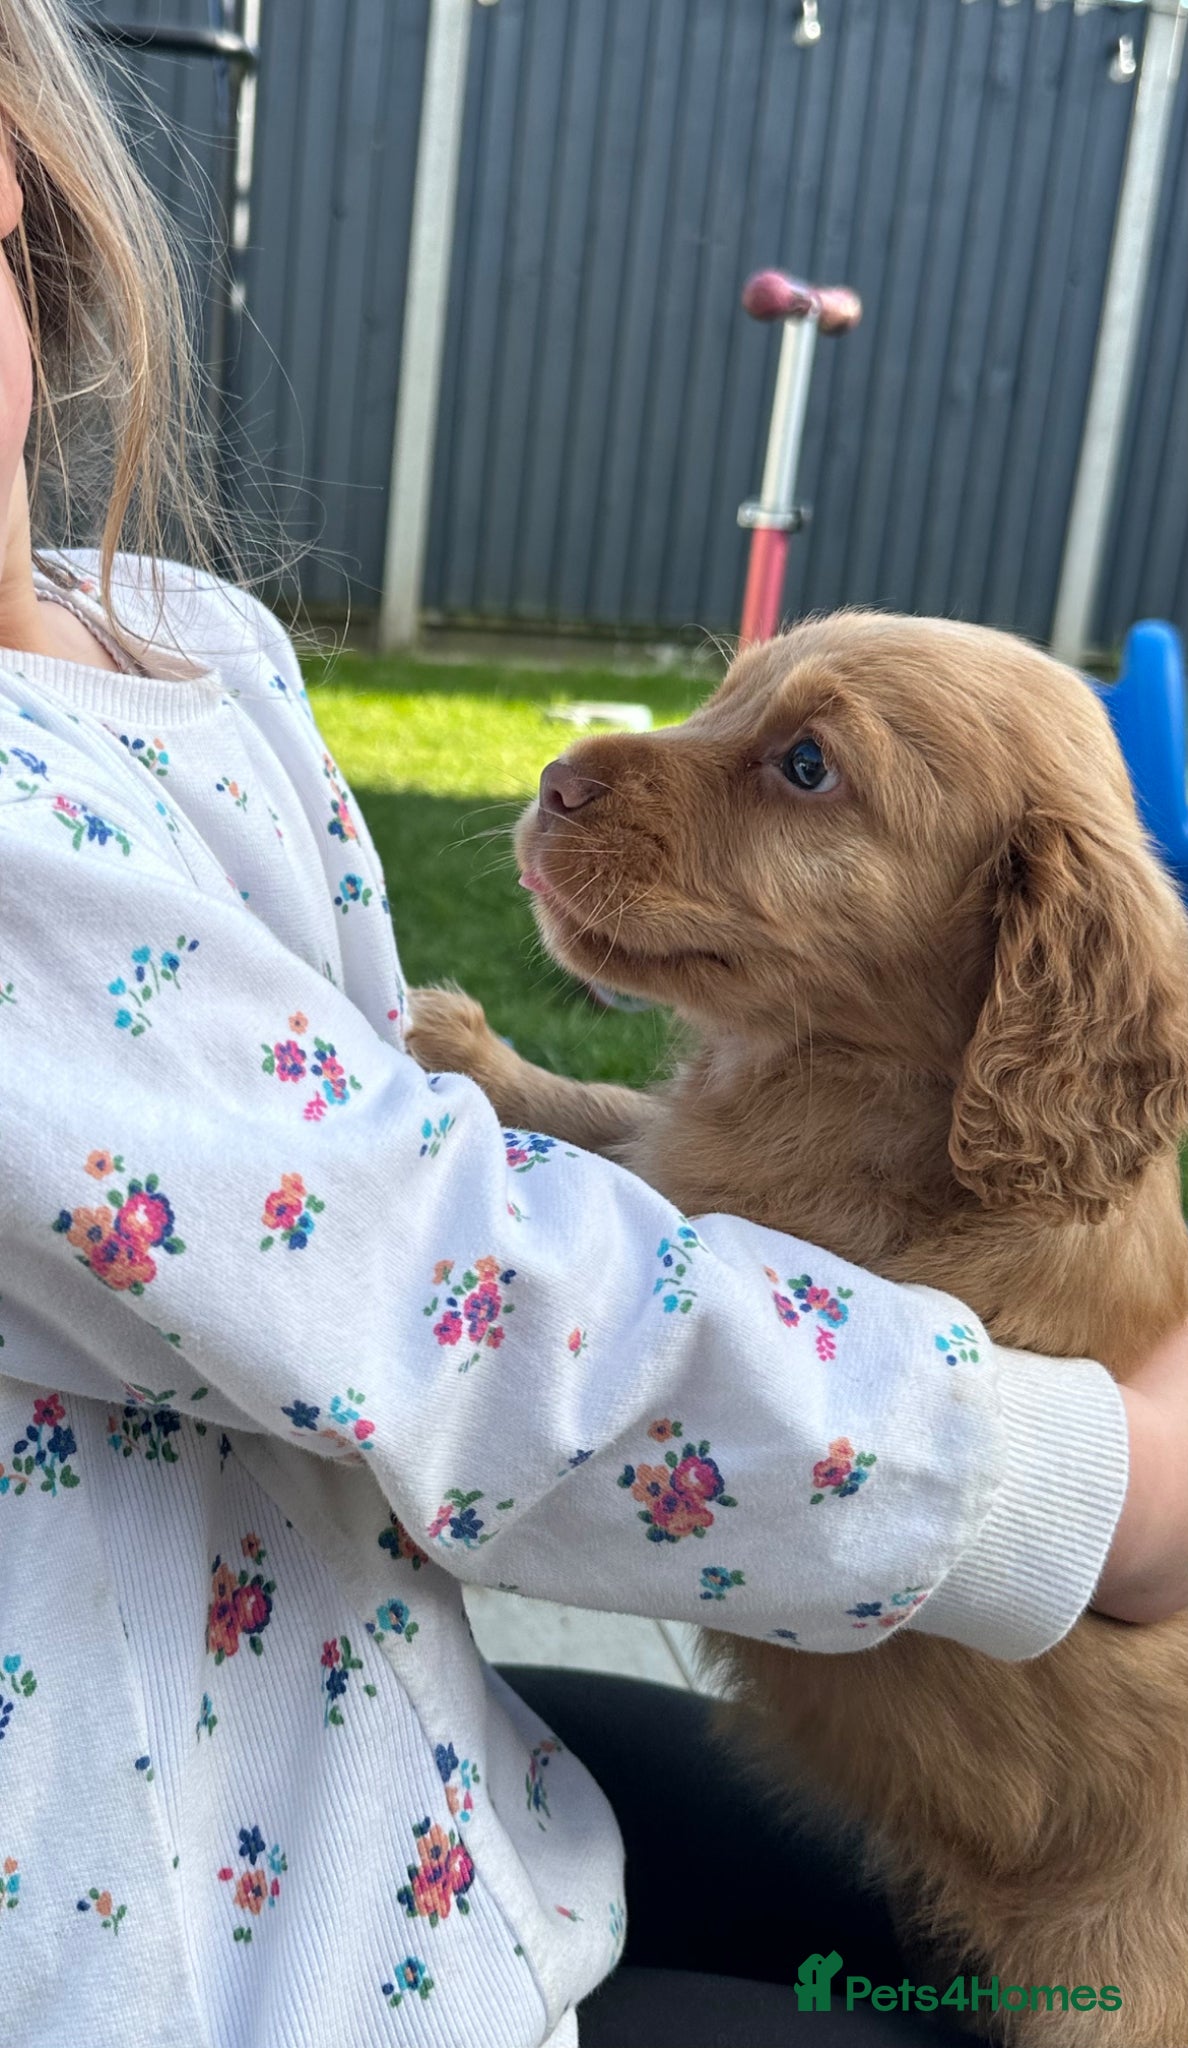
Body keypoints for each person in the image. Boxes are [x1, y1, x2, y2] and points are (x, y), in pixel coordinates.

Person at [0, 8, 1184, 2046]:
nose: (608, 776)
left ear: (14, 195)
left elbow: (367, 1173)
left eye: (796, 768)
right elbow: (492, 1323)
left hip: (430, 1767)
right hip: (221, 1949)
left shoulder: (187, 646)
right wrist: (1122, 1487)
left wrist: (513, 1106)